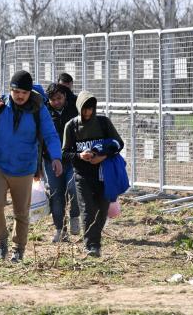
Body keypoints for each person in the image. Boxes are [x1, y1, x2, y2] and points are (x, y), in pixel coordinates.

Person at [0, 70, 63, 263]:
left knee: (21, 212)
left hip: (24, 168)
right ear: (10, 90)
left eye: (24, 92)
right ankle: (1, 243)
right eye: (16, 91)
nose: (20, 96)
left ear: (30, 93)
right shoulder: (0, 104)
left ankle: (18, 249)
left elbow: (51, 134)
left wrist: (56, 157)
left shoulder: (39, 109)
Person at [62, 90, 124, 258]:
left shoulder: (103, 123)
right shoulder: (72, 126)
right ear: (79, 108)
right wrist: (79, 156)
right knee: (87, 209)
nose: (87, 113)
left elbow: (119, 143)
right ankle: (92, 245)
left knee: (102, 209)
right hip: (82, 175)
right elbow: (65, 153)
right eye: (84, 109)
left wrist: (103, 156)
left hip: (104, 175)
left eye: (90, 109)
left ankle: (95, 240)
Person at [44, 83, 80, 243]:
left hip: (72, 158)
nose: (57, 102)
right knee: (56, 195)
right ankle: (60, 230)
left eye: (59, 98)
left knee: (74, 188)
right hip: (51, 160)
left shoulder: (73, 108)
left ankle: (74, 216)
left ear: (65, 96)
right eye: (53, 99)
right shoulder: (44, 112)